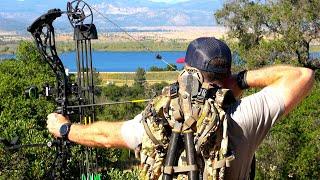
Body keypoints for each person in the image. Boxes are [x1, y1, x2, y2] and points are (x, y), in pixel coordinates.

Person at [46, 37, 315, 179]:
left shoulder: (158, 120)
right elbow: (302, 76)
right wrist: (240, 81)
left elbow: (105, 137)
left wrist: (65, 128)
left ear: (187, 73)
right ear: (226, 74)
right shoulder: (245, 117)